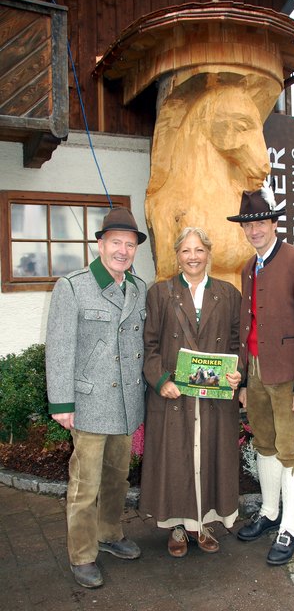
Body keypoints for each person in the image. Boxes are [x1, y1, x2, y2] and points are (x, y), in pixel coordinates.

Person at [45, 207, 147, 588]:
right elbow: (58, 348)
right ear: (101, 243)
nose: (123, 250)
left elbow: (142, 344)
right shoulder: (72, 285)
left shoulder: (139, 288)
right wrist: (61, 403)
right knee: (84, 485)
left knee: (117, 479)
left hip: (125, 406)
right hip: (88, 404)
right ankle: (83, 554)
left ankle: (109, 534)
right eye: (116, 242)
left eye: (130, 244)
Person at [227, 186, 294, 566]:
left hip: (288, 376)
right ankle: (269, 513)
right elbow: (246, 327)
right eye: (248, 225)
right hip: (255, 370)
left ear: (273, 223)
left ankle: (289, 527)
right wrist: (245, 382)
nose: (254, 231)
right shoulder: (247, 268)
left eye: (260, 222)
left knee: (290, 450)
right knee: (264, 444)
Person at [139, 227, 242, 558]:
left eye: (199, 250)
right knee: (177, 458)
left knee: (210, 456)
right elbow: (150, 345)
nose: (193, 256)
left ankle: (204, 523)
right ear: (177, 255)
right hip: (174, 395)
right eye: (186, 251)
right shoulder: (160, 293)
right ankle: (178, 526)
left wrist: (238, 373)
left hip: (214, 396)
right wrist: (160, 380)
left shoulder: (228, 294)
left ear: (208, 253)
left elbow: (238, 341)